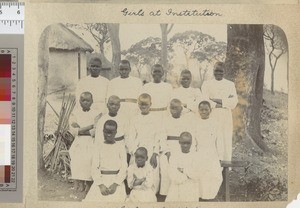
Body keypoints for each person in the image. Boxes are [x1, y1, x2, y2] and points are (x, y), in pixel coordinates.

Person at [128, 93, 168, 193]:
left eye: (146, 104)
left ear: (151, 104)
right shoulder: (134, 119)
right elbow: (130, 137)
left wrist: (155, 153)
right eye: (141, 104)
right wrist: (134, 152)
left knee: (152, 173)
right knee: (137, 172)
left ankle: (151, 195)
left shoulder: (157, 119)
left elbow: (160, 136)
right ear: (138, 104)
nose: (144, 106)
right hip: (138, 150)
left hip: (151, 149)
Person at [159, 98, 197, 198]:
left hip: (182, 148)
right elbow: (162, 137)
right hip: (169, 148)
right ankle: (165, 195)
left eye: (176, 108)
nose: (174, 110)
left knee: (182, 168)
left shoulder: (186, 120)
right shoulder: (165, 120)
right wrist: (167, 152)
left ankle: (182, 194)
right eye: (172, 108)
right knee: (166, 169)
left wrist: (188, 150)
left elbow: (190, 136)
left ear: (181, 109)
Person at [201, 62, 238, 161]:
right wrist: (224, 101)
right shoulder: (207, 84)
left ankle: (225, 165)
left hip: (226, 115)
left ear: (224, 72)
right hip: (212, 114)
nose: (218, 73)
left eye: (221, 71)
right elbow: (205, 100)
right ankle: (213, 164)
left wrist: (215, 99)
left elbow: (233, 102)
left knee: (226, 139)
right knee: (213, 138)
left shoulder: (230, 84)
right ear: (213, 71)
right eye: (216, 71)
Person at [84, 120, 127, 202]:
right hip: (101, 180)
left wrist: (115, 184)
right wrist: (100, 185)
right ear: (103, 131)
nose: (109, 135)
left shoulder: (120, 147)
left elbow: (124, 167)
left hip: (116, 181)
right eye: (106, 132)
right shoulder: (98, 147)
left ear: (116, 132)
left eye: (112, 132)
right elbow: (94, 167)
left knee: (116, 202)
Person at [69, 92, 99, 193]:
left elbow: (95, 131)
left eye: (88, 100)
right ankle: (80, 182)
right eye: (83, 100)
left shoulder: (96, 113)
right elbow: (74, 131)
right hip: (78, 142)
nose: (85, 102)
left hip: (91, 142)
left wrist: (81, 130)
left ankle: (89, 184)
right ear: (80, 101)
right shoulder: (75, 113)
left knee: (90, 159)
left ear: (92, 101)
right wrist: (90, 127)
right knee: (77, 159)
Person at [196, 101, 223, 201]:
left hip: (212, 152)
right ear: (198, 111)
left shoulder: (215, 123)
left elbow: (219, 141)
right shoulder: (196, 122)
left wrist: (220, 156)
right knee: (200, 173)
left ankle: (210, 195)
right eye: (201, 110)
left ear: (210, 110)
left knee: (214, 174)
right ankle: (200, 194)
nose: (203, 112)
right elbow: (194, 140)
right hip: (199, 152)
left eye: (206, 109)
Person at [166, 132, 199, 202]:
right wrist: (187, 176)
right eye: (183, 143)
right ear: (179, 142)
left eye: (188, 143)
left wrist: (183, 170)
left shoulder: (195, 156)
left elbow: (196, 174)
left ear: (191, 143)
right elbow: (172, 174)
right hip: (176, 187)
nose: (185, 145)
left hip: (191, 188)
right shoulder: (174, 156)